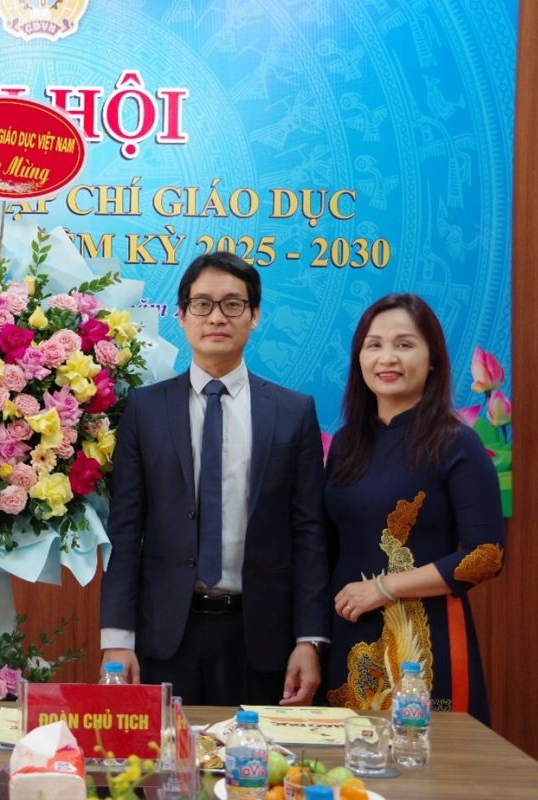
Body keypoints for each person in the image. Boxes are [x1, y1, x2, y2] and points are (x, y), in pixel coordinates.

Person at [99, 252, 329, 706]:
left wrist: (310, 638)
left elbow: (309, 533)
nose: (217, 317)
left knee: (259, 751)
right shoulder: (145, 410)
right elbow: (124, 529)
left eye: (233, 304)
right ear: (181, 316)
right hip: (165, 634)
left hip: (263, 635)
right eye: (202, 304)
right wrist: (118, 638)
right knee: (164, 752)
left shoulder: (293, 412)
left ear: (254, 315)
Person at [323, 293, 505, 724]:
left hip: (425, 641)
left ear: (433, 360)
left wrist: (384, 588)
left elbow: (486, 556)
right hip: (346, 631)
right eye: (374, 345)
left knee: (423, 758)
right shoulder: (347, 443)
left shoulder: (456, 443)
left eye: (404, 344)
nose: (387, 358)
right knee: (344, 760)